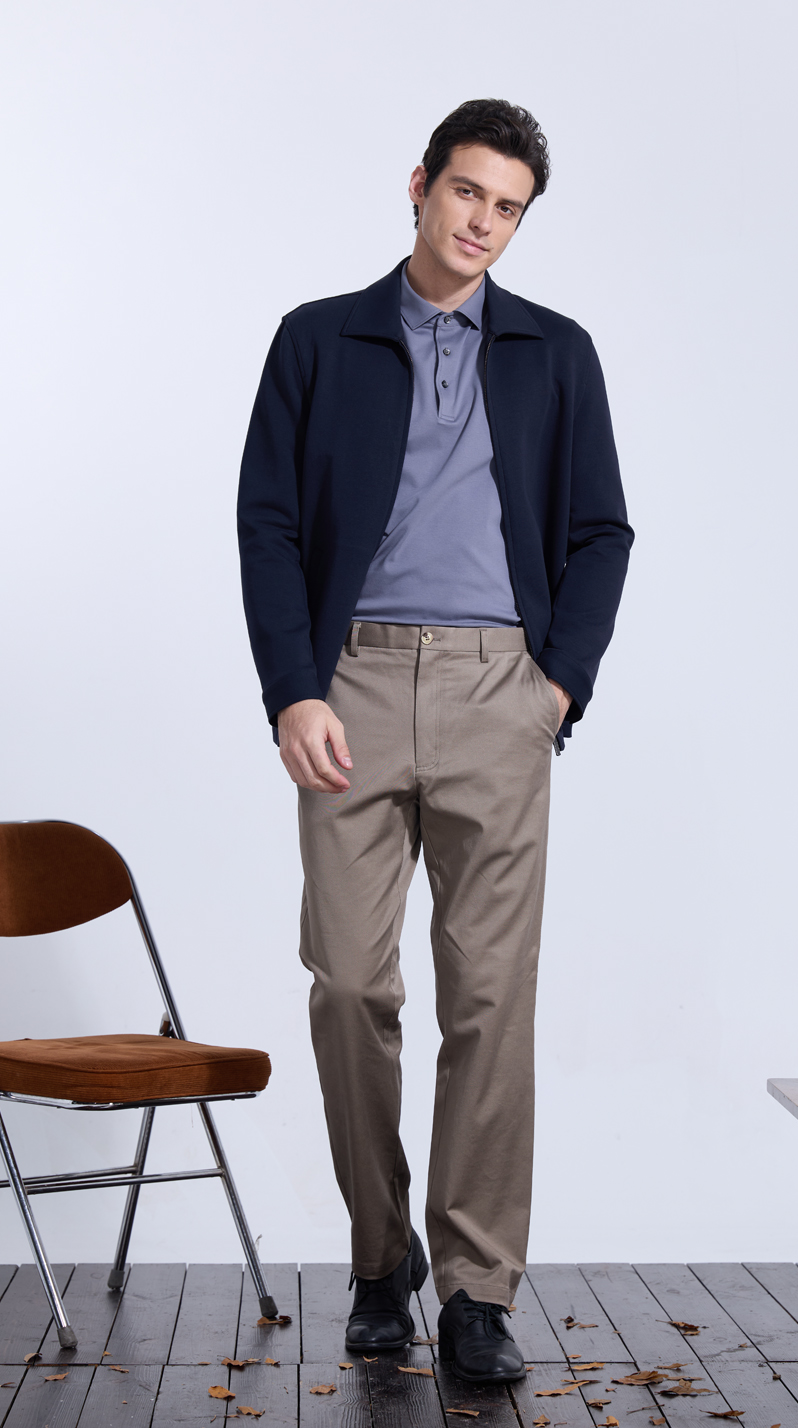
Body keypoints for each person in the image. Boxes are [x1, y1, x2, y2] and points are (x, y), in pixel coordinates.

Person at [237, 98, 633, 1384]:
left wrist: (558, 686)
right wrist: (293, 689)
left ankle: (474, 1288)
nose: (483, 224)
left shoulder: (557, 352)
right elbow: (267, 520)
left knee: (489, 996)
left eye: (508, 209)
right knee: (352, 984)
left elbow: (602, 530)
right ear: (419, 185)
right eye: (468, 193)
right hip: (349, 681)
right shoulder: (319, 338)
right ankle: (378, 1256)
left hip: (499, 690)